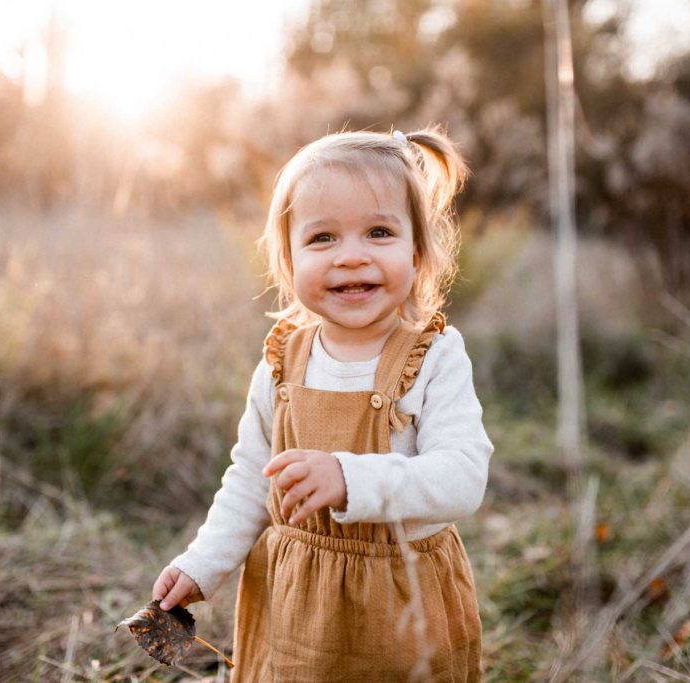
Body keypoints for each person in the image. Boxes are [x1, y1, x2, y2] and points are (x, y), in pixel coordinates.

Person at [151, 127, 494, 681]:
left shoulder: (434, 357)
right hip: (297, 603)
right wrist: (203, 564)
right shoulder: (283, 359)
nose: (351, 258)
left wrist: (349, 478)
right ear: (287, 259)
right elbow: (251, 479)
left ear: (418, 249)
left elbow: (463, 476)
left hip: (403, 602)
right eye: (323, 238)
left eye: (379, 232)